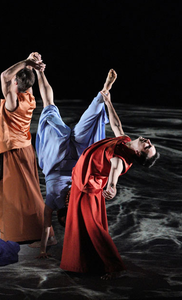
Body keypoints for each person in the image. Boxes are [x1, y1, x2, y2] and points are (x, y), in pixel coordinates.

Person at [60, 89, 160, 280]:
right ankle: (86, 263)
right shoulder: (125, 141)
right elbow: (116, 124)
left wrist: (112, 186)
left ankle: (114, 266)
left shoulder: (122, 158)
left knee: (93, 227)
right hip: (83, 181)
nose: (147, 141)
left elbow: (114, 167)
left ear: (139, 154)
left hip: (89, 188)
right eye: (150, 143)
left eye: (148, 147)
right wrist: (108, 102)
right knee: (80, 225)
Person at [33, 61, 116, 258]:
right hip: (68, 155)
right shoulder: (61, 201)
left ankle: (101, 96)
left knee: (59, 111)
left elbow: (48, 226)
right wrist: (43, 250)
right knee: (50, 105)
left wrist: (44, 249)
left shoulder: (66, 200)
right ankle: (40, 73)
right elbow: (47, 226)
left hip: (67, 155)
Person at [0, 52, 54, 243]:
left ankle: (44, 232)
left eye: (14, 80)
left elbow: (3, 76)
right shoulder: (29, 98)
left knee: (26, 191)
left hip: (16, 150)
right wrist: (32, 64)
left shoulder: (12, 101)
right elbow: (22, 79)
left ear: (16, 83)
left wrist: (26, 61)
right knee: (6, 182)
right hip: (26, 148)